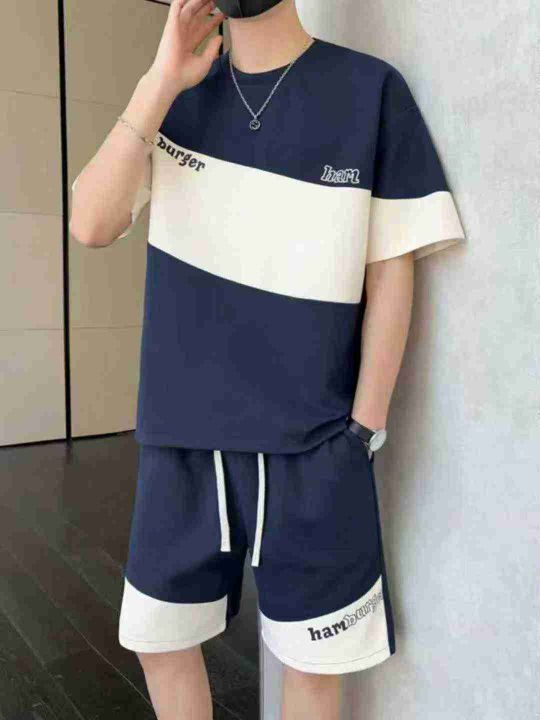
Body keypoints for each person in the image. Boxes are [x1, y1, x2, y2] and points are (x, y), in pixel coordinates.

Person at [70, 0, 465, 717]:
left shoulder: (370, 90)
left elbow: (392, 272)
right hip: (180, 443)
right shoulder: (173, 100)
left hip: (314, 447)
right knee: (160, 641)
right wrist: (160, 78)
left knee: (312, 663)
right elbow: (91, 222)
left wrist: (362, 430)